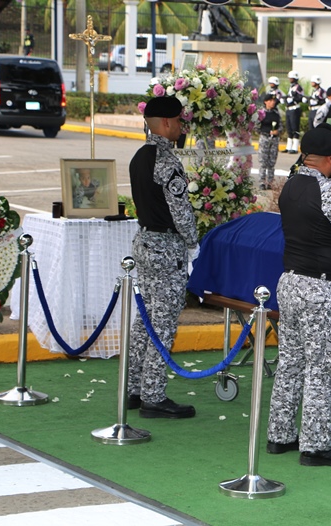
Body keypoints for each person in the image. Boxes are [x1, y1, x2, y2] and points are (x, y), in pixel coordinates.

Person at [267, 124, 331, 467]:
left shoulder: (289, 187)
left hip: (290, 282)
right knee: (323, 366)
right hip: (322, 289)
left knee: (291, 362)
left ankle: (280, 434)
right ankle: (316, 444)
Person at [127, 96, 199, 419]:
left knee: (144, 320)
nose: (182, 127)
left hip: (144, 242)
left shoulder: (139, 156)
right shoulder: (167, 162)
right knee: (163, 322)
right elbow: (180, 212)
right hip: (166, 249)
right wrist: (193, 243)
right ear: (167, 123)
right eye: (179, 121)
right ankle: (153, 396)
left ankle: (134, 388)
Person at [258, 93, 283, 190]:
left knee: (272, 162)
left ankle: (270, 182)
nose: (272, 102)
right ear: (265, 102)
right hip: (264, 138)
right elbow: (256, 126)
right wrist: (264, 132)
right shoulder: (261, 113)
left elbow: (280, 126)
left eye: (274, 101)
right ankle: (262, 181)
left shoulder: (276, 113)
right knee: (263, 161)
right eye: (270, 101)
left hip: (274, 139)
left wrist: (277, 131)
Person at [285, 71, 305, 154]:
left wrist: (294, 98)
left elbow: (300, 97)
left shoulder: (298, 87)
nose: (290, 79)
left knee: (295, 127)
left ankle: (295, 147)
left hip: (295, 108)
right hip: (289, 109)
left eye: (291, 78)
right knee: (289, 128)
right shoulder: (291, 87)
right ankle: (288, 147)